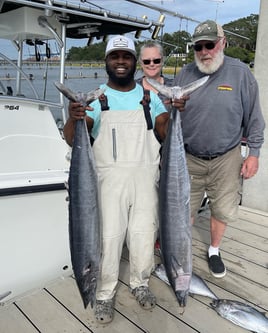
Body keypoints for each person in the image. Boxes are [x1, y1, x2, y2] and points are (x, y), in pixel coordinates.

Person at [63, 35, 185, 324]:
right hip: (108, 183)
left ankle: (139, 283)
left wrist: (177, 112)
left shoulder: (150, 97)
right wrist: (74, 117)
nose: (120, 62)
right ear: (107, 61)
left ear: (134, 62)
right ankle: (104, 293)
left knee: (144, 237)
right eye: (115, 56)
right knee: (108, 238)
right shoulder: (96, 97)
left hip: (145, 179)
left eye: (126, 57)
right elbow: (72, 139)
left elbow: (165, 132)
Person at [173, 20, 265, 278]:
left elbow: (255, 119)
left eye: (210, 45)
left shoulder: (240, 73)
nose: (204, 52)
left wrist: (254, 154)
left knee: (222, 208)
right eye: (199, 47)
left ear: (222, 43)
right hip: (188, 156)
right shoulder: (185, 74)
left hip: (227, 156)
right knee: (183, 208)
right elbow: (169, 111)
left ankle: (214, 250)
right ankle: (182, 250)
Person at [136, 40, 173, 107]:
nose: (152, 64)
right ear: (141, 63)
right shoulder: (132, 87)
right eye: (147, 61)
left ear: (162, 61)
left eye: (156, 61)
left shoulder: (174, 85)